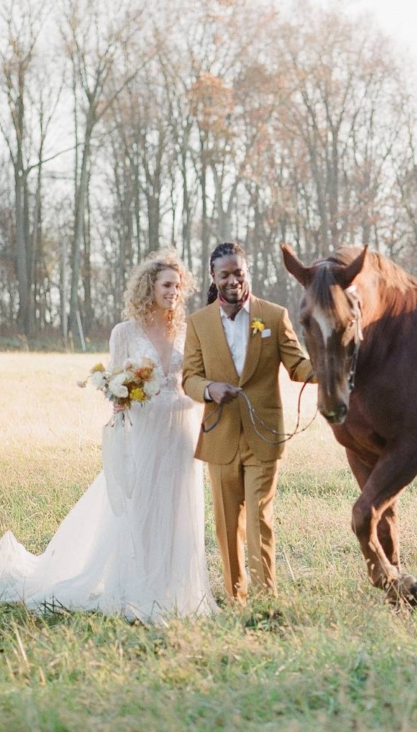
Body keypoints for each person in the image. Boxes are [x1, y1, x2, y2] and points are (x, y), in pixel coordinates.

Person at [0, 250, 216, 622]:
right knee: (141, 505)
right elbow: (115, 383)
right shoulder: (125, 332)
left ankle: (175, 586)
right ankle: (137, 584)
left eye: (179, 286)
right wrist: (120, 397)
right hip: (144, 429)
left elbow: (197, 375)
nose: (174, 292)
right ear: (150, 286)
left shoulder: (187, 330)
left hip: (181, 426)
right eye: (167, 285)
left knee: (179, 505)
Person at [182, 242, 315, 601]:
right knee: (227, 526)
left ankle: (264, 598)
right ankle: (236, 596)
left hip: (264, 437)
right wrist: (210, 389)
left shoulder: (273, 316)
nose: (232, 280)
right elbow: (189, 378)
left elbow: (299, 366)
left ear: (247, 273)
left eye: (238, 273)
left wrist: (329, 367)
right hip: (220, 437)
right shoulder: (198, 324)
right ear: (214, 277)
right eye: (224, 274)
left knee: (259, 520)